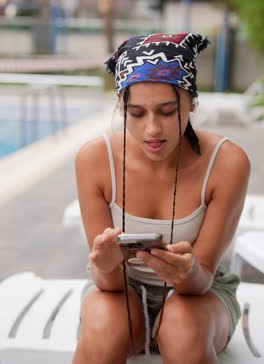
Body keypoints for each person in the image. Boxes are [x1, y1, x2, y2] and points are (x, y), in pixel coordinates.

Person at [73, 33, 250, 364]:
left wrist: (189, 271)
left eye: (167, 111)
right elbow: (108, 285)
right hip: (119, 291)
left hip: (201, 295)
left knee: (183, 327)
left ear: (192, 103)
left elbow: (201, 281)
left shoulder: (227, 163)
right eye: (136, 114)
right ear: (121, 107)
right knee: (104, 328)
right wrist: (105, 265)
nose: (152, 129)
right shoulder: (94, 160)